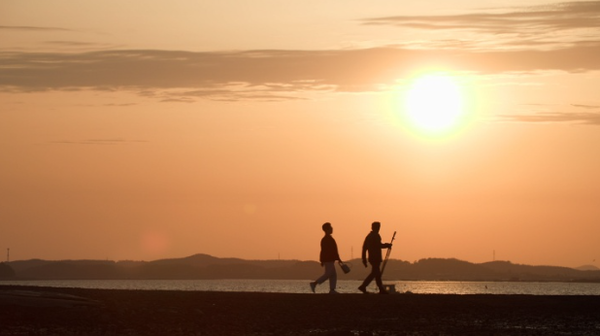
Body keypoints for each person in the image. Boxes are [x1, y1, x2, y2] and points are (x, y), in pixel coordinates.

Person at [358, 221, 392, 294]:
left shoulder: (369, 236)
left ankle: (381, 289)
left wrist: (364, 259)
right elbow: (379, 245)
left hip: (371, 258)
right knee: (375, 273)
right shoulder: (376, 236)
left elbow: (364, 248)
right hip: (376, 258)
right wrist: (387, 245)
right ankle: (363, 286)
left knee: (377, 273)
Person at [310, 222, 342, 294]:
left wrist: (322, 260)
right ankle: (314, 284)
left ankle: (332, 289)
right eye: (330, 227)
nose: (332, 228)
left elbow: (324, 250)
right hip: (329, 259)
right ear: (327, 229)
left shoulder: (326, 239)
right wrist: (337, 258)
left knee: (333, 274)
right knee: (328, 274)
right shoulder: (327, 239)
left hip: (329, 259)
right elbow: (330, 250)